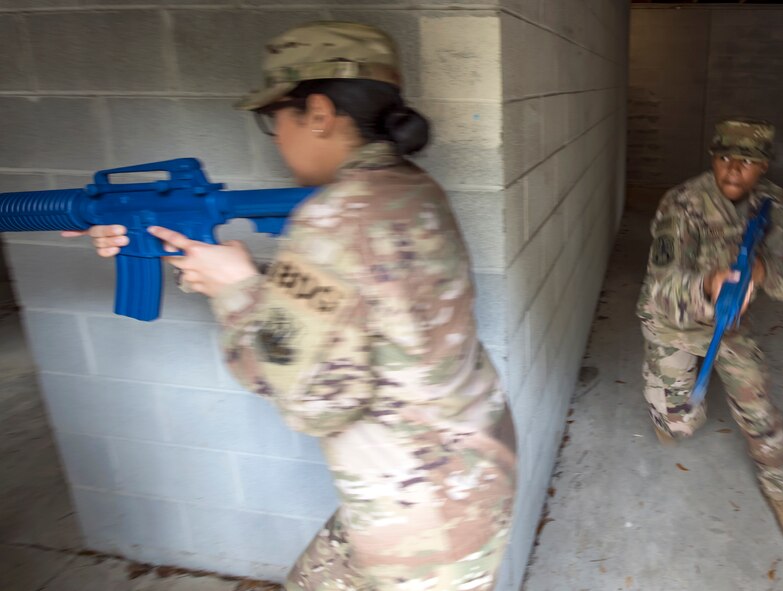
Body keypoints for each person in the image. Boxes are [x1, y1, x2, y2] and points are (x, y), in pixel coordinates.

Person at [64, 21, 516, 590]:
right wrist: (207, 263)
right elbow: (362, 304)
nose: (274, 136)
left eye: (272, 118)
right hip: (468, 468)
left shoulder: (331, 218)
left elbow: (313, 403)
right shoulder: (411, 188)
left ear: (320, 114)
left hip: (418, 519)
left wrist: (233, 289)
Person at [635, 119, 783, 545]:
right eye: (724, 158)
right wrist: (708, 284)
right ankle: (672, 409)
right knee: (678, 426)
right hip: (672, 317)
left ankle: (781, 488)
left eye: (747, 162)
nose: (733, 170)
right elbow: (660, 287)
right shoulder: (683, 203)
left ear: (765, 167)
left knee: (756, 399)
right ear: (712, 159)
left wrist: (762, 268)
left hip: (728, 323)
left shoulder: (774, 205)